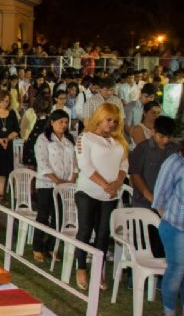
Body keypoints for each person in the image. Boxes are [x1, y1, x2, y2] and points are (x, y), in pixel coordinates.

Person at [74, 103, 128, 291]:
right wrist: (106, 185)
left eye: (115, 121)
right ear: (99, 118)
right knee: (85, 230)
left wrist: (116, 184)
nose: (111, 124)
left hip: (110, 195)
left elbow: (124, 165)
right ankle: (81, 268)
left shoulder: (119, 141)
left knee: (103, 234)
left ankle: (98, 271)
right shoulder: (85, 138)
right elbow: (85, 166)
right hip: (87, 192)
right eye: (108, 120)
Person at [32, 109, 77, 262]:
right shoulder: (43, 139)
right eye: (60, 122)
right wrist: (56, 180)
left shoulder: (69, 139)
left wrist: (72, 178)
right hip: (47, 183)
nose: (63, 125)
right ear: (52, 122)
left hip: (65, 185)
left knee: (60, 217)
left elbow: (74, 161)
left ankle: (51, 247)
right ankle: (37, 247)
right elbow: (42, 162)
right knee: (43, 215)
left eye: (66, 122)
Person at [152, 140, 184, 316]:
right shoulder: (175, 162)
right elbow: (159, 198)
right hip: (175, 227)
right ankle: (169, 314)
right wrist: (170, 219)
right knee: (177, 268)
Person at [130, 116, 180, 209]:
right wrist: (151, 198)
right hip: (144, 202)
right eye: (161, 136)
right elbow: (135, 175)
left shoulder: (175, 149)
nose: (165, 140)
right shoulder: (142, 149)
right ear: (153, 132)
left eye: (169, 137)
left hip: (168, 202)